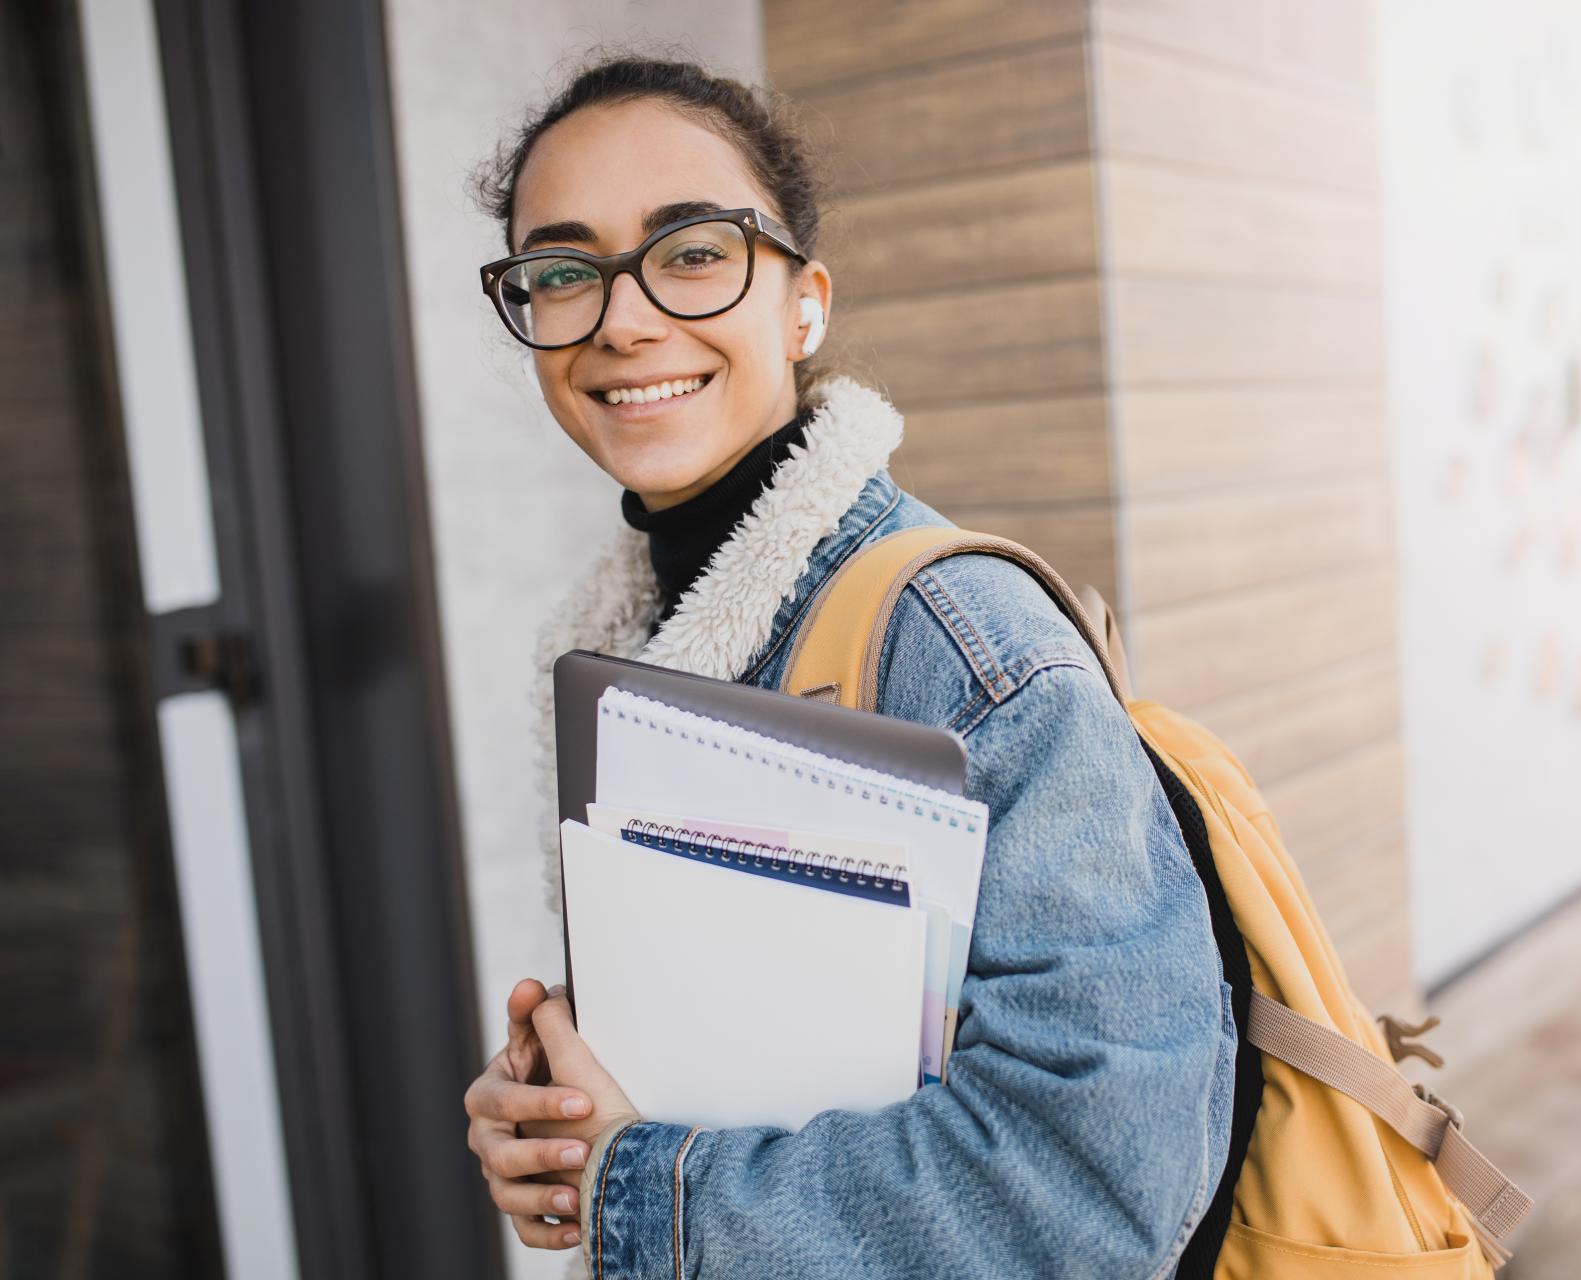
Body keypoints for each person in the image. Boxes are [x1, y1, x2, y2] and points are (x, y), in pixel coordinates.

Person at [461, 54, 1236, 1279]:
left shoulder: (961, 642)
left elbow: (1095, 1183)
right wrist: (565, 1132)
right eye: (563, 271)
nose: (621, 316)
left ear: (804, 302)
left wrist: (640, 1189)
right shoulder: (628, 651)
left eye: (695, 252)